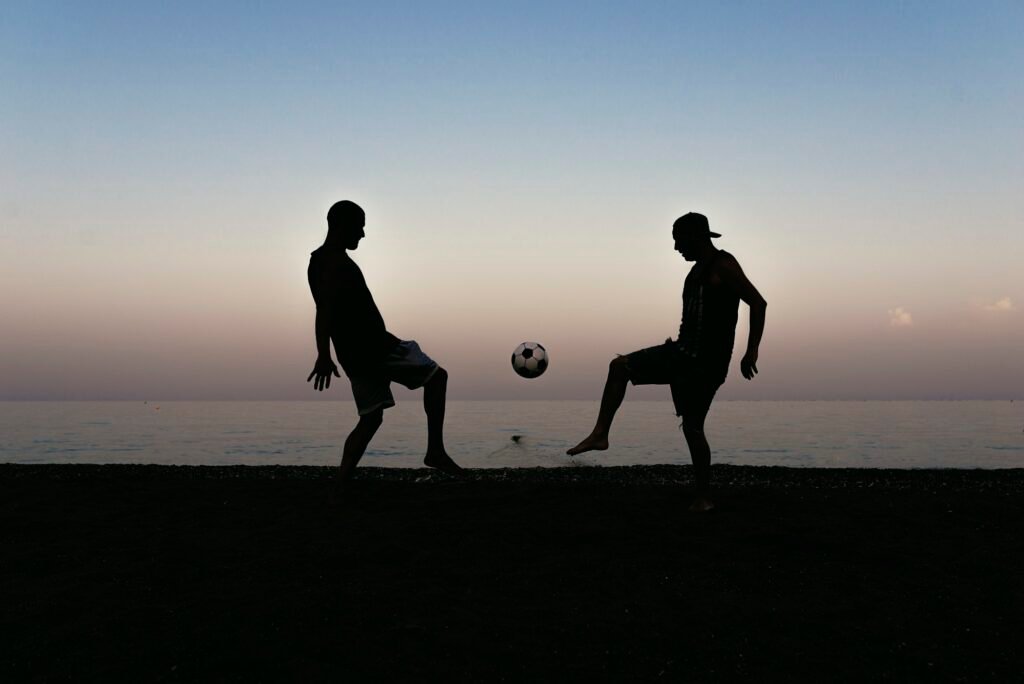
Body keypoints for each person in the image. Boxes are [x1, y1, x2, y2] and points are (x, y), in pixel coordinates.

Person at [567, 212, 766, 512]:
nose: (676, 248)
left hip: (705, 363)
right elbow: (694, 319)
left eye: (678, 240)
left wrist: (751, 351)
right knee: (625, 372)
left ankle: (702, 496)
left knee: (691, 425)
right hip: (682, 354)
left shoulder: (723, 264)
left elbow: (758, 303)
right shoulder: (695, 273)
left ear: (695, 237)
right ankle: (602, 435)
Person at [306, 200, 463, 481]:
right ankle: (435, 451)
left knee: (370, 418)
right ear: (341, 225)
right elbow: (325, 310)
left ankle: (340, 486)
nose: (363, 234)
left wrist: (329, 353)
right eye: (359, 227)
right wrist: (323, 355)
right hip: (377, 348)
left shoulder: (319, 261)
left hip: (354, 356)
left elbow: (326, 310)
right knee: (437, 377)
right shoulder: (333, 264)